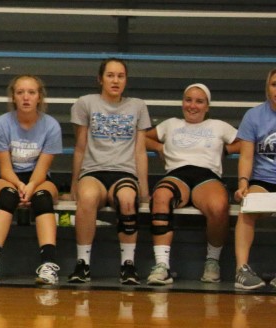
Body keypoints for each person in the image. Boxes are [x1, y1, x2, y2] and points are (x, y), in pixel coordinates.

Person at [143, 83, 239, 286]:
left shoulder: (218, 126)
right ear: (182, 103)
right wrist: (159, 147)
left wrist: (226, 150)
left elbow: (245, 141)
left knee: (219, 205)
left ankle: (212, 262)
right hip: (177, 175)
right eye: (188, 100)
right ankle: (162, 265)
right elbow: (141, 137)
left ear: (207, 106)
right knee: (161, 196)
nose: (193, 105)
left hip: (206, 176)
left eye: (199, 101)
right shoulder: (170, 124)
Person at [67, 58, 151, 284]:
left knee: (127, 200)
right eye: (110, 75)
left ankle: (128, 265)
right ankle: (83, 264)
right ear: (100, 79)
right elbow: (80, 147)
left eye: (120, 76)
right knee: (87, 198)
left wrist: (144, 188)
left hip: (124, 172)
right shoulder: (85, 103)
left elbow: (140, 151)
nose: (115, 81)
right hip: (93, 171)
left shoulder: (138, 106)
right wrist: (74, 183)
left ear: (126, 80)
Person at [0, 74, 64, 285]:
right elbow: (4, 167)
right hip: (8, 177)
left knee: (42, 198)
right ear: (13, 97)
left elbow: (42, 169)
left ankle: (48, 265)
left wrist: (31, 186)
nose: (26, 97)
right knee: (7, 196)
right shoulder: (2, 124)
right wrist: (19, 185)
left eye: (31, 92)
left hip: (38, 177)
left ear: (39, 97)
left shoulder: (51, 125)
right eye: (20, 92)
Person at [232, 68, 276, 291]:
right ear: (267, 87)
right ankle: (241, 270)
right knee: (247, 206)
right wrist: (243, 185)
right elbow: (246, 156)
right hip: (263, 181)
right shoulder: (254, 116)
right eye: (274, 84)